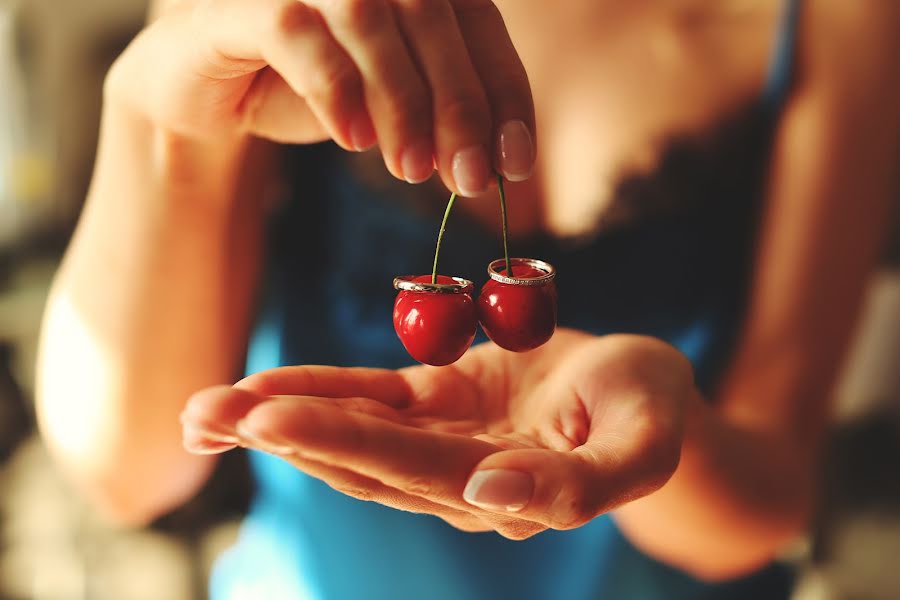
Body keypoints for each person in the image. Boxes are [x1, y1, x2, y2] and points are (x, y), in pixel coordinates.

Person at [35, 0, 899, 598]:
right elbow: (125, 467)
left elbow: (768, 495)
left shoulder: (834, 20)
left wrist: (674, 437)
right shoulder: (279, 13)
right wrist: (160, 116)